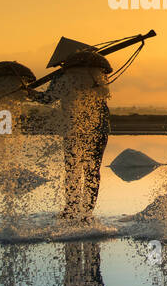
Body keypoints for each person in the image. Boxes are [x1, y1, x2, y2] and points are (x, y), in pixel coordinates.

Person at [28, 50, 113, 221]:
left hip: (84, 129)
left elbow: (47, 99)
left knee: (76, 169)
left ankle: (76, 210)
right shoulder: (96, 74)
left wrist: (29, 93)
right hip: (90, 129)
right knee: (91, 170)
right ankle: (83, 211)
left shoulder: (64, 76)